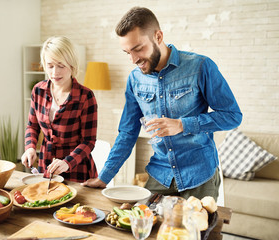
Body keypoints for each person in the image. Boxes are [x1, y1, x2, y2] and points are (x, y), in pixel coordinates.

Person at [82, 7, 242, 200]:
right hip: (160, 174)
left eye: (138, 49)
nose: (133, 60)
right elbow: (127, 133)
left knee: (195, 230)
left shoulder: (200, 66)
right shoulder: (135, 79)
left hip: (199, 174)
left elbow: (232, 116)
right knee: (142, 226)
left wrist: (182, 125)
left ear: (158, 36)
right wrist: (105, 176)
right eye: (127, 53)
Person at [21, 36, 98, 183]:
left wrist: (67, 162)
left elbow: (89, 141)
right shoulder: (38, 91)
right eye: (50, 66)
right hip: (46, 165)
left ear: (72, 65)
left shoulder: (85, 96)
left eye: (61, 66)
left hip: (77, 169)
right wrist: (30, 147)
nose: (55, 72)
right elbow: (32, 126)